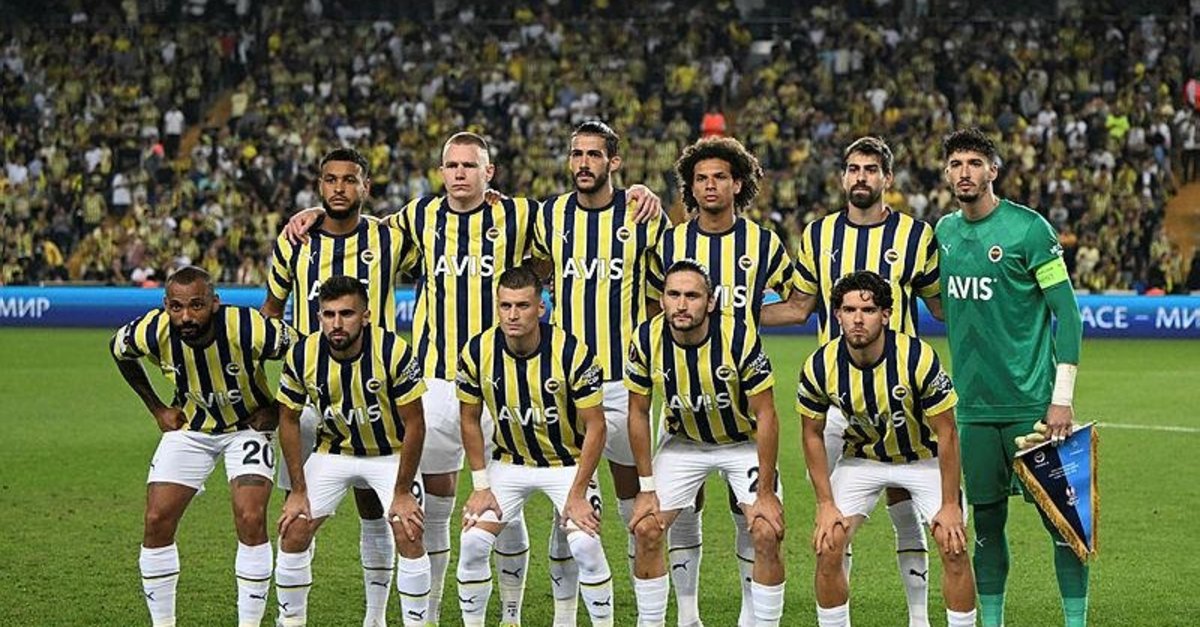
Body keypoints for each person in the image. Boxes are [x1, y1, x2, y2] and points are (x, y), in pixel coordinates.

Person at [770, 136, 944, 626]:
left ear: (887, 178)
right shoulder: (819, 234)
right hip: (834, 401)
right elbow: (799, 307)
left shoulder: (916, 235)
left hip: (903, 398)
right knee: (833, 517)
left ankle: (918, 618)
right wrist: (733, 313)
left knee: (904, 505)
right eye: (853, 169)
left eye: (870, 169)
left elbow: (940, 306)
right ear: (843, 177)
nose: (861, 177)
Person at [648, 136, 804, 626]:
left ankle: (750, 614)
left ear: (738, 184)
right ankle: (688, 614)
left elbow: (799, 305)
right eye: (700, 179)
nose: (709, 186)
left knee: (753, 517)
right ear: (690, 187)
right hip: (682, 409)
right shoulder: (670, 242)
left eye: (719, 177)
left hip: (742, 406)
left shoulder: (762, 243)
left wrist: (746, 319)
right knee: (683, 506)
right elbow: (655, 305)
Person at [935, 127, 1087, 627]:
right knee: (985, 527)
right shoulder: (944, 234)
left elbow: (1068, 314)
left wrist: (1061, 398)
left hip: (1033, 410)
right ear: (947, 173)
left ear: (993, 171)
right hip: (974, 413)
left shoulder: (1029, 230)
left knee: (1064, 526)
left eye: (974, 163)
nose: (965, 173)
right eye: (956, 164)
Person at [262, 147, 412, 626]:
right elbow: (271, 311)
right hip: (310, 402)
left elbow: (441, 236)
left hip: (378, 398)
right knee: (296, 511)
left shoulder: (388, 237)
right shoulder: (295, 241)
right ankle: (291, 615)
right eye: (331, 180)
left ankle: (375, 617)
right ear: (319, 185)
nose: (340, 188)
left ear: (366, 187)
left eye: (350, 180)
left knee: (376, 508)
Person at [530, 120, 670, 626]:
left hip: (624, 383)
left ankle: (644, 604)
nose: (583, 163)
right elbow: (533, 266)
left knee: (635, 503)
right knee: (566, 505)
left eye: (593, 154)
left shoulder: (642, 216)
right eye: (577, 154)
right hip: (566, 385)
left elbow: (663, 289)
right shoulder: (549, 216)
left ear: (614, 162)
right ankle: (565, 615)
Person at [111, 266, 295, 627]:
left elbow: (307, 353)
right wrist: (157, 408)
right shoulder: (153, 329)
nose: (186, 317)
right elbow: (118, 349)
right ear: (166, 305)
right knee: (156, 519)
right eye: (176, 307)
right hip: (191, 428)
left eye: (196, 305)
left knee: (250, 516)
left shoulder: (248, 326)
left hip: (247, 428)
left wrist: (278, 408)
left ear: (214, 303)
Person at [795, 270, 976, 627]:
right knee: (829, 543)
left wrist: (950, 504)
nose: (857, 319)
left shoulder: (917, 358)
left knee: (953, 544)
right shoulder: (820, 365)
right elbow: (811, 433)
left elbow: (947, 433)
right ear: (837, 314)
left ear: (886, 314)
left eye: (868, 310)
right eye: (849, 310)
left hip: (923, 459)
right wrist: (825, 504)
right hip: (862, 459)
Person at [627, 260, 786, 627]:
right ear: (662, 299)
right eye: (673, 295)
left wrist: (765, 492)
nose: (682, 305)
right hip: (683, 443)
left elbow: (766, 414)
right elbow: (638, 412)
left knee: (766, 529)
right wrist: (646, 489)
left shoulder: (738, 337)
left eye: (692, 296)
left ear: (710, 302)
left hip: (741, 441)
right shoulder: (646, 337)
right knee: (646, 527)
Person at [455, 265, 614, 627]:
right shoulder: (477, 351)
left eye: (522, 306)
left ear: (541, 307)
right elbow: (469, 419)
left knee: (586, 545)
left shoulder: (572, 352)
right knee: (473, 542)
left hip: (568, 464)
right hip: (508, 464)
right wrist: (480, 485)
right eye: (505, 306)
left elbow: (597, 426)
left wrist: (577, 493)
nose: (513, 315)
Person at [274, 276, 430, 627]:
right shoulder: (302, 354)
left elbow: (416, 424)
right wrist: (297, 490)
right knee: (293, 528)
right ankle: (291, 621)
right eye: (329, 314)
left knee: (408, 530)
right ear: (319, 316)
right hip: (335, 451)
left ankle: (393, 621)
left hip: (390, 453)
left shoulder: (393, 351)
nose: (337, 323)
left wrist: (402, 491)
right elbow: (288, 419)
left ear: (366, 316)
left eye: (346, 314)